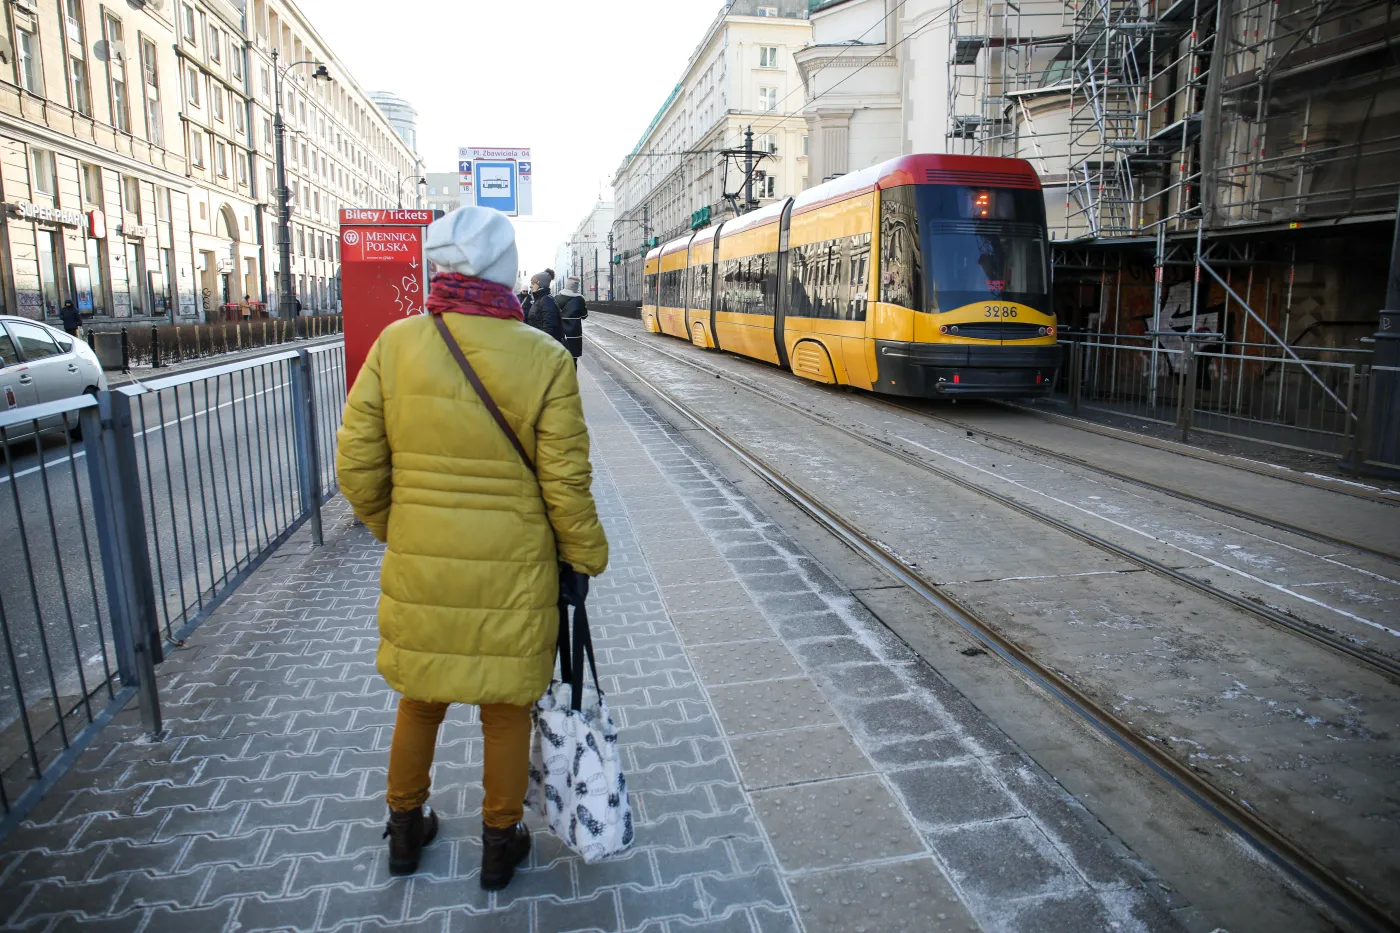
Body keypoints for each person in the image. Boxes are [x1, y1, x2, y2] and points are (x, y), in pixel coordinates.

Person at [337, 206, 609, 891]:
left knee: (420, 697)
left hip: (422, 562)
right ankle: (498, 841)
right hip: (513, 572)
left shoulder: (396, 346)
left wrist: (398, 531)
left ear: (440, 267)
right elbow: (566, 482)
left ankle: (404, 831)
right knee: (506, 706)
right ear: (504, 271)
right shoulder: (544, 359)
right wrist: (585, 555)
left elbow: (356, 468)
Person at [524, 269, 565, 347]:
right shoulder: (540, 299)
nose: (530, 286)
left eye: (533, 283)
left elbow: (549, 329)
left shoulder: (546, 301)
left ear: (540, 284)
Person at [556, 275, 589, 366]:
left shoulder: (557, 297)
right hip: (574, 335)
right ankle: (572, 378)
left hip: (561, 334)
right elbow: (584, 315)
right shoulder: (579, 299)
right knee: (573, 361)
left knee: (561, 361)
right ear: (576, 286)